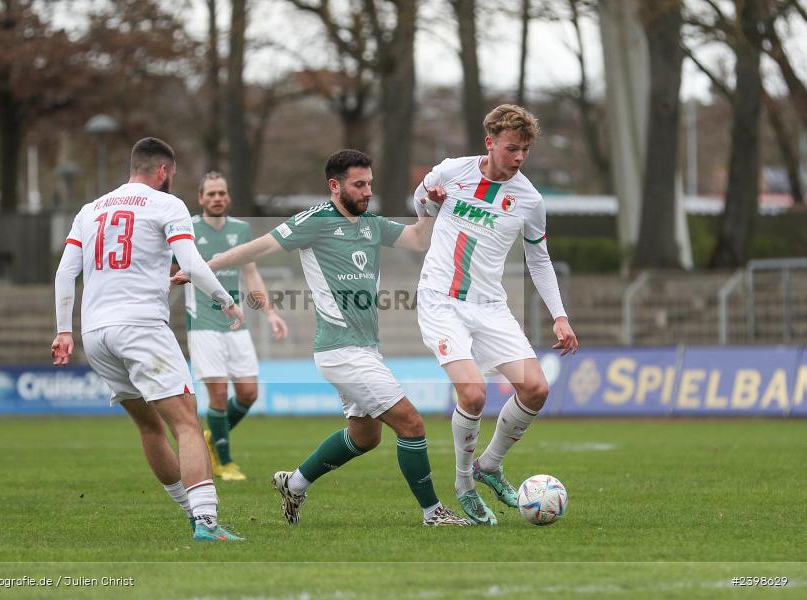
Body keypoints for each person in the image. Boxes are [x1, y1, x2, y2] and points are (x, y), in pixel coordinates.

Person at [174, 149, 469, 526]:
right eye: (359, 185)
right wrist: (202, 266)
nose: (367, 192)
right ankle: (433, 512)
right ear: (335, 186)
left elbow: (416, 240)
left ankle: (294, 483)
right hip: (340, 350)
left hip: (365, 349)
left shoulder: (371, 223)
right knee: (411, 423)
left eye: (370, 184)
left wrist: (429, 210)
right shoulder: (313, 221)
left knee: (365, 437)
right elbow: (259, 247)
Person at [51, 137, 245, 542]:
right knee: (188, 423)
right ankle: (207, 523)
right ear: (162, 172)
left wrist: (64, 330)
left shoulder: (90, 211)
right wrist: (226, 300)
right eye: (171, 175)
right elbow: (191, 262)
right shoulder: (167, 204)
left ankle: (194, 515)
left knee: (150, 427)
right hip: (140, 327)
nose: (171, 181)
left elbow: (65, 273)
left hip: (96, 334)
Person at [413, 104, 579, 526]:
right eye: (511, 148)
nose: (519, 157)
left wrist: (559, 316)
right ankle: (465, 485)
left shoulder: (530, 199)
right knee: (472, 394)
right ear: (490, 143)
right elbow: (419, 209)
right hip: (441, 299)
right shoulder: (451, 172)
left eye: (525, 149)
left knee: (536, 388)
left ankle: (489, 465)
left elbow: (539, 261)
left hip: (490, 306)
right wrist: (430, 205)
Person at [185, 171, 288, 481]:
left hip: (235, 323)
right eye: (211, 194)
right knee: (217, 394)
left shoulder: (242, 230)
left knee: (248, 393)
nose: (217, 198)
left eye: (222, 193)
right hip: (202, 323)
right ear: (201, 198)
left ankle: (213, 437)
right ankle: (224, 461)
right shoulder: (188, 229)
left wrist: (269, 313)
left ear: (228, 197)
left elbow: (251, 274)